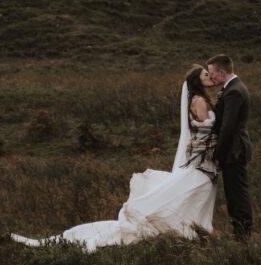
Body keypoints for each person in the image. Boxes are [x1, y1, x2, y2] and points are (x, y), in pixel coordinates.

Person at [11, 66, 217, 252]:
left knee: (189, 196)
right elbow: (206, 131)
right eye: (205, 74)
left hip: (203, 162)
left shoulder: (199, 99)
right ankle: (187, 232)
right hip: (201, 161)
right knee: (189, 194)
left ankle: (192, 232)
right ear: (197, 80)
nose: (209, 76)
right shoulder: (199, 101)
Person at [207, 54, 253, 242]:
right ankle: (240, 232)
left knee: (237, 194)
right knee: (234, 193)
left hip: (234, 150)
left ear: (222, 72)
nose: (210, 77)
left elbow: (228, 127)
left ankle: (242, 234)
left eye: (212, 73)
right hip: (233, 149)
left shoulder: (234, 91)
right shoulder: (233, 88)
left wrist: (218, 154)